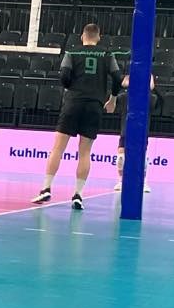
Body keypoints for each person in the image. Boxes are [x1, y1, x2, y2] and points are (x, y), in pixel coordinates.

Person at [32, 23, 121, 210]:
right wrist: (112, 99)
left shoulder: (72, 53)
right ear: (99, 37)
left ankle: (46, 188)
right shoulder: (107, 54)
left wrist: (70, 88)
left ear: (82, 36)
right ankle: (78, 194)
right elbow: (117, 78)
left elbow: (64, 76)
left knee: (58, 148)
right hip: (94, 105)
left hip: (73, 102)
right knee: (85, 152)